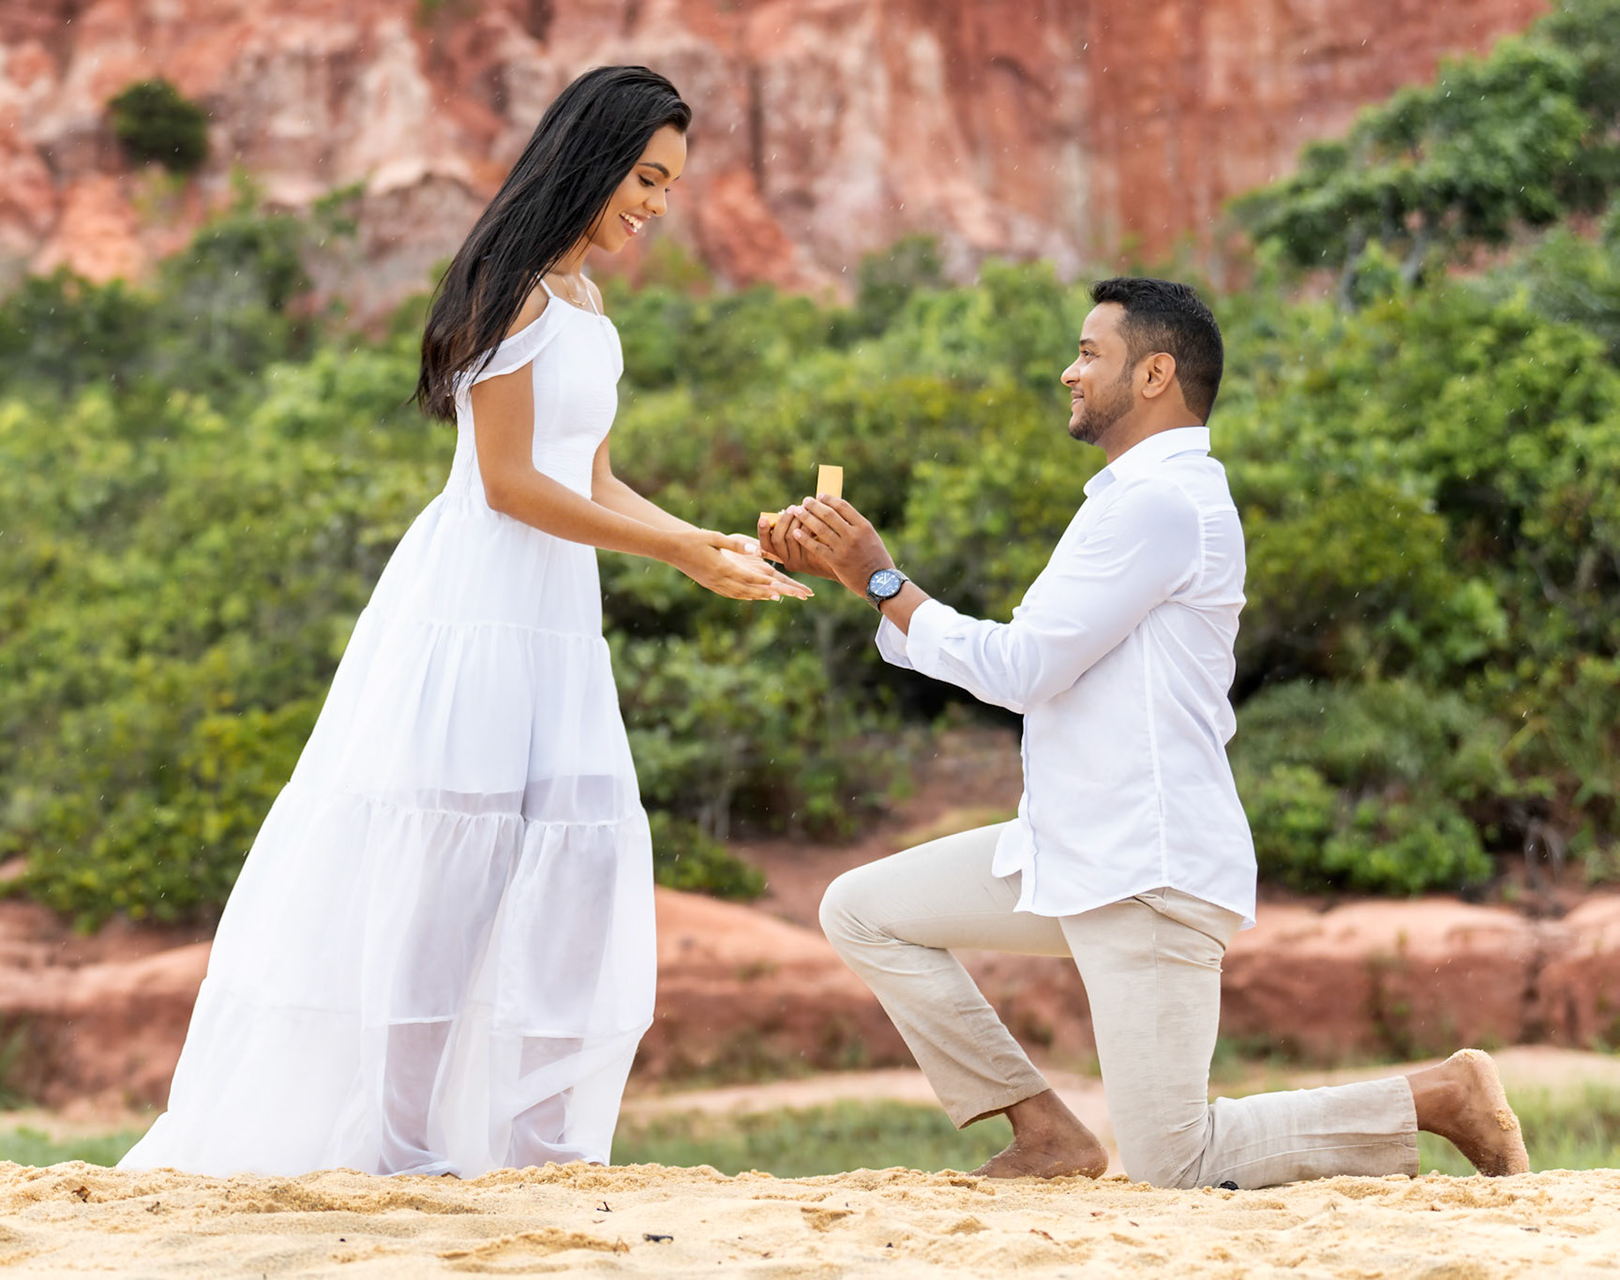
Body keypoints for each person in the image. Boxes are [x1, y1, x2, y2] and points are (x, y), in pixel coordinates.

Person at [120, 65, 809, 1180]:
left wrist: (704, 545)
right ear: (591, 159)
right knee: (447, 879)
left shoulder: (587, 304)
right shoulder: (514, 289)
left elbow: (589, 474)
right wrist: (674, 550)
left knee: (571, 870)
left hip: (555, 620)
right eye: (644, 177)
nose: (656, 205)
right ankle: (400, 1146)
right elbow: (506, 485)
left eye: (670, 185)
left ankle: (543, 1140)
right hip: (480, 604)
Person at [760, 278, 1529, 1189]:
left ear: (1156, 372)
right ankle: (1044, 1132)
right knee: (863, 909)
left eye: (1090, 354)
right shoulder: (1129, 499)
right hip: (1072, 849)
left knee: (1176, 1161)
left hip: (1146, 866)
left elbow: (1022, 671)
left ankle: (1440, 1097)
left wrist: (884, 582)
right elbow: (1023, 659)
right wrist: (864, 583)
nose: (1067, 372)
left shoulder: (1161, 505)